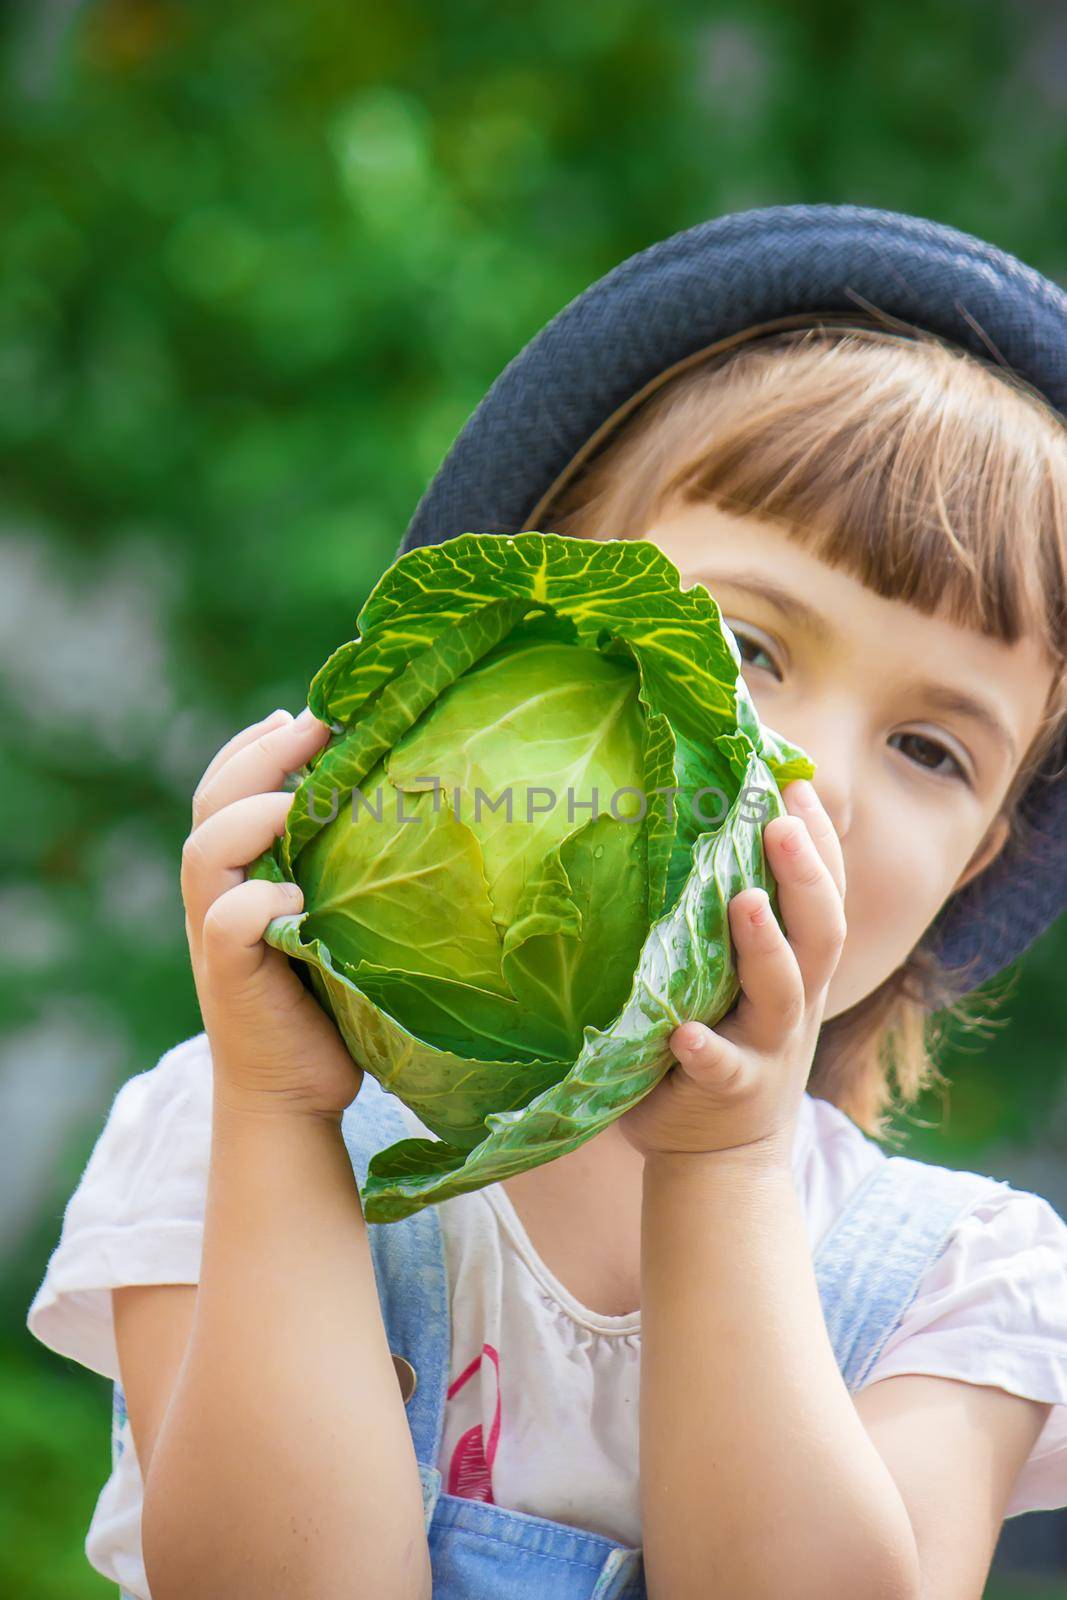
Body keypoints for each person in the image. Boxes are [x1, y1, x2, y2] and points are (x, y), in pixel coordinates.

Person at [26, 207, 1067, 1600]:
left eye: (933, 749)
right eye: (749, 649)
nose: (812, 772)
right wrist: (282, 1120)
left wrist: (725, 1169)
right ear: (528, 631)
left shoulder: (963, 1286)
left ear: (983, 860)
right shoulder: (218, 1138)